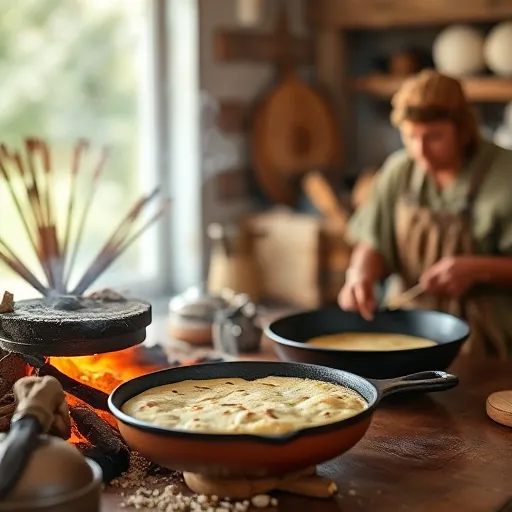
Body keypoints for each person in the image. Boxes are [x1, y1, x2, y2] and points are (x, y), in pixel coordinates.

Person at [338, 69, 512, 359]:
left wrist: (477, 268)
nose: (421, 151)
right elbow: (373, 242)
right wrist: (360, 274)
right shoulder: (400, 170)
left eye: (434, 137)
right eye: (410, 136)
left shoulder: (505, 174)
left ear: (464, 129)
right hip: (406, 331)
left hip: (487, 342)